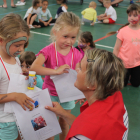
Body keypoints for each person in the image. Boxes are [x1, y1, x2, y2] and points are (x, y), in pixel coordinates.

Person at [45, 48, 129, 140]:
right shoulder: (117, 100)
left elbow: (85, 132)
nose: (76, 69)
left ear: (92, 84)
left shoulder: (80, 138)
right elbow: (85, 127)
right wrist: (63, 113)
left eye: (80, 68)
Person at [30, 12, 83, 140]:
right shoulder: (48, 51)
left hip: (68, 95)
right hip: (50, 94)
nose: (69, 41)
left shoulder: (76, 53)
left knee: (64, 122)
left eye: (73, 37)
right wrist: (56, 71)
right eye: (65, 36)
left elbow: (79, 73)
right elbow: (34, 68)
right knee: (49, 123)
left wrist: (81, 92)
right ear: (55, 32)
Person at [0, 13, 35, 140]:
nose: (21, 50)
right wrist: (14, 96)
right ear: (1, 40)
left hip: (18, 116)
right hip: (4, 122)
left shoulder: (16, 59)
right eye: (17, 45)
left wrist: (27, 82)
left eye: (24, 45)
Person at [113, 4, 140, 87]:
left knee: (135, 84)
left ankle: (132, 76)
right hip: (124, 63)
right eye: (130, 15)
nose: (132, 18)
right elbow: (116, 48)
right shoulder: (123, 31)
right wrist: (115, 61)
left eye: (135, 15)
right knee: (122, 84)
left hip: (137, 63)